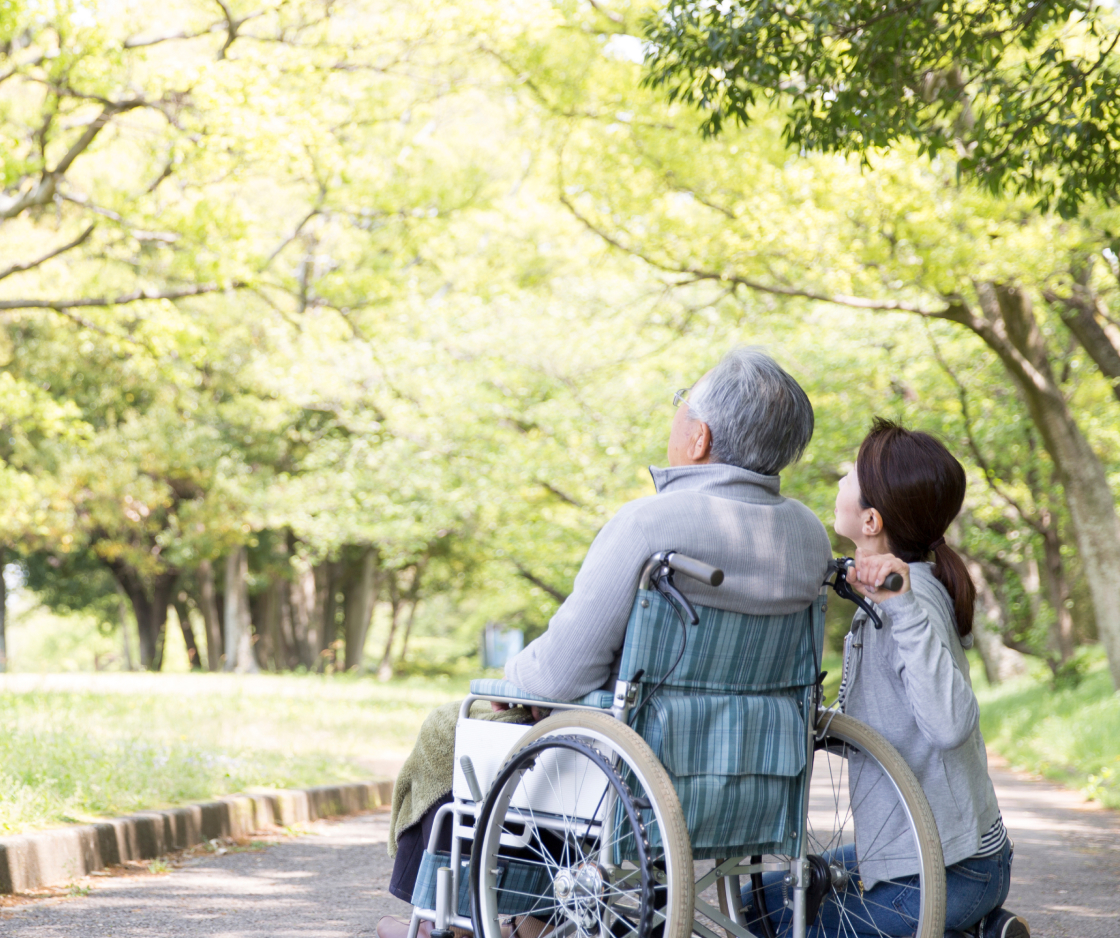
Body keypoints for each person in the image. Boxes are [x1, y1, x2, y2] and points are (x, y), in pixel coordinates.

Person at [378, 348, 831, 938]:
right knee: (573, 734)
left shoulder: (652, 522)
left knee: (456, 727)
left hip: (638, 763)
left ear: (699, 438)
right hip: (754, 766)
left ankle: (445, 926)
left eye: (682, 404)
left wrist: (517, 682)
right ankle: (535, 922)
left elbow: (558, 672)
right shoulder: (809, 536)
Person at [747, 418, 1029, 938]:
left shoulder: (911, 601)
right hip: (914, 856)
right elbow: (873, 729)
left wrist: (901, 607)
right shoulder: (893, 596)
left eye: (849, 475)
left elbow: (950, 725)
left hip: (953, 868)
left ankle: (958, 927)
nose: (839, 481)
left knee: (786, 927)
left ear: (872, 520)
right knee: (753, 903)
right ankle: (971, 929)